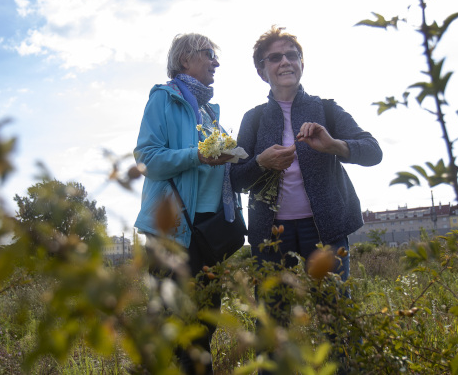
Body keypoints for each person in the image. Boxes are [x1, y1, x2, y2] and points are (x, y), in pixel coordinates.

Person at [230, 26, 382, 370]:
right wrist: (260, 163)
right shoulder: (253, 119)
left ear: (302, 63)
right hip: (271, 235)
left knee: (337, 317)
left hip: (325, 230)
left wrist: (335, 146)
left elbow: (373, 151)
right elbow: (235, 178)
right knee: (271, 322)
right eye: (275, 57)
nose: (285, 61)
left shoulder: (326, 109)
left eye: (292, 55)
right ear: (261, 70)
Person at [133, 32, 243, 375]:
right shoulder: (164, 100)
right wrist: (198, 154)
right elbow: (147, 158)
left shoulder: (210, 112)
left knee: (201, 326)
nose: (216, 62)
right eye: (209, 54)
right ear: (185, 59)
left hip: (209, 232)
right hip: (175, 231)